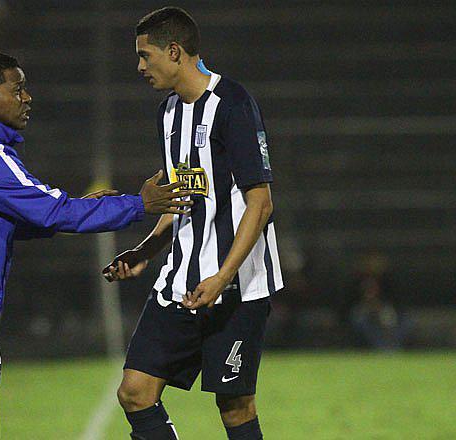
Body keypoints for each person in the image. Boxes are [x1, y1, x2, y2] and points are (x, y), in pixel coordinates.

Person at [0, 51, 193, 439]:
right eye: (17, 90)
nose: (27, 98)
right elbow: (51, 211)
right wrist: (139, 205)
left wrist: (79, 209)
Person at [103, 7, 284, 440]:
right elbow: (183, 197)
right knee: (135, 391)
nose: (140, 67)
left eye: (146, 56)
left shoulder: (233, 104)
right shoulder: (168, 113)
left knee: (235, 406)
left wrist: (223, 276)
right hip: (181, 280)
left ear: (174, 51)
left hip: (238, 284)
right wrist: (146, 250)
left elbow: (260, 203)